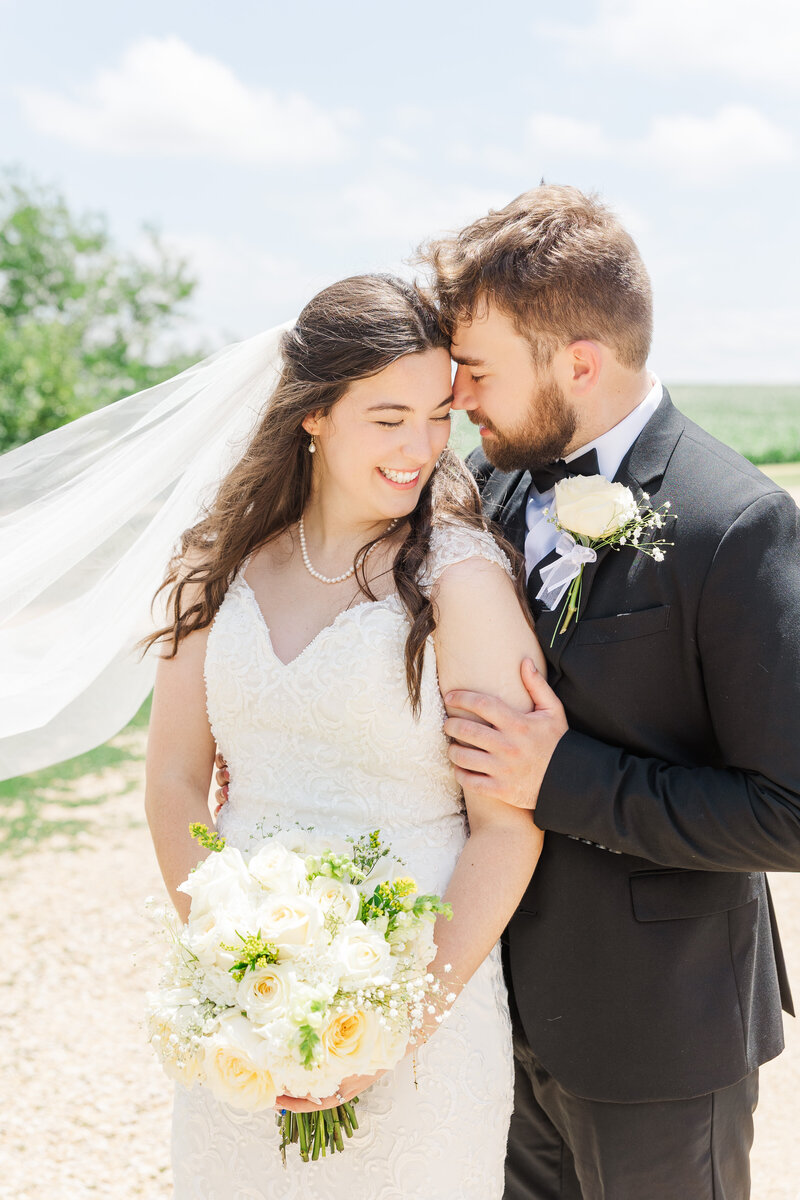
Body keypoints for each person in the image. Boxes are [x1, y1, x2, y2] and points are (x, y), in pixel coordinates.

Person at [413, 183, 800, 1199]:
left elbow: (789, 814)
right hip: (490, 1014)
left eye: (476, 370)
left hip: (656, 1036)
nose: (456, 399)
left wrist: (560, 777)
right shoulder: (489, 487)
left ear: (577, 363)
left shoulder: (734, 524)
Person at [144, 274, 545, 1198]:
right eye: (389, 418)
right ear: (313, 414)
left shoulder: (460, 581)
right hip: (245, 1019)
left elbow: (506, 827)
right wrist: (239, 975)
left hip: (420, 1020)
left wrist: (396, 1023)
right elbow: (172, 782)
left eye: (439, 416)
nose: (422, 449)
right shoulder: (220, 566)